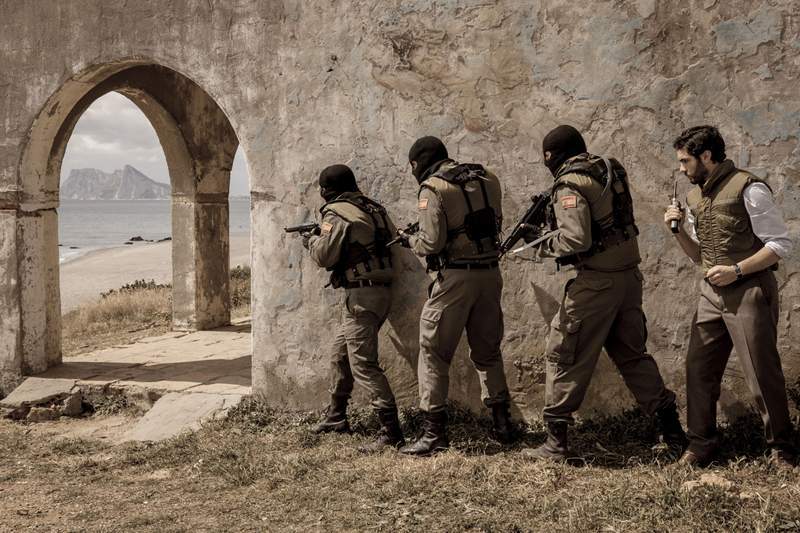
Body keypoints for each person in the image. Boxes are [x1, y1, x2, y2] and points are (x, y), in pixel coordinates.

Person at [522, 125, 686, 461]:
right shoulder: (607, 169)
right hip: (628, 278)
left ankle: (555, 443)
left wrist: (539, 244)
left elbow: (576, 239)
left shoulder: (569, 183)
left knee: (564, 352)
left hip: (596, 284)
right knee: (633, 355)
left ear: (553, 156)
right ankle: (672, 432)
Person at [664, 125, 796, 467]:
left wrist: (737, 271)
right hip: (710, 293)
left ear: (706, 156)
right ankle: (701, 443)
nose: (681, 168)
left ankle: (782, 447)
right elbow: (699, 256)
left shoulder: (749, 188)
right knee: (699, 368)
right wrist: (677, 231)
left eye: (685, 161)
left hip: (749, 290)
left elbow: (780, 245)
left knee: (760, 371)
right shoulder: (694, 199)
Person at [397, 136, 514, 456]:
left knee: (433, 352)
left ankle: (433, 433)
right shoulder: (488, 177)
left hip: (455, 279)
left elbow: (432, 243)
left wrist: (410, 240)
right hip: (490, 274)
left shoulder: (433, 188)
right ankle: (503, 424)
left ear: (419, 163)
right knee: (488, 351)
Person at [304, 164, 404, 452]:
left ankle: (391, 432)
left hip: (362, 296)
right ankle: (336, 416)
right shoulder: (373, 208)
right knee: (340, 355)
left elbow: (325, 255)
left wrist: (311, 240)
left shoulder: (337, 213)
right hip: (378, 292)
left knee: (363, 365)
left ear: (327, 190)